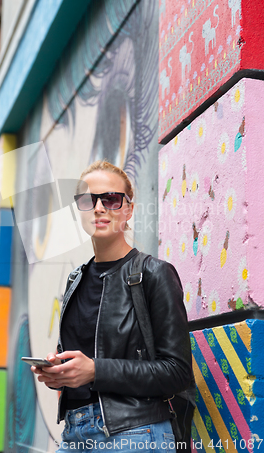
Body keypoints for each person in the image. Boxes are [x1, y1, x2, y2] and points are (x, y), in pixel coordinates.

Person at [31, 160, 192, 452]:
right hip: (75, 433)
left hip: (135, 433)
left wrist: (95, 370)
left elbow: (177, 372)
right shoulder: (75, 279)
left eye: (111, 199)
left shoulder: (154, 274)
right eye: (87, 199)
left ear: (129, 209)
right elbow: (81, 365)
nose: (99, 207)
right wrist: (59, 375)